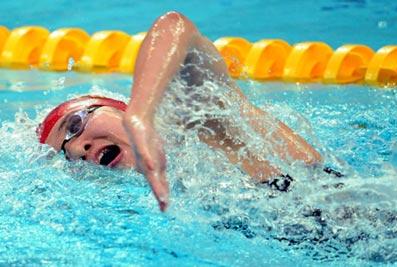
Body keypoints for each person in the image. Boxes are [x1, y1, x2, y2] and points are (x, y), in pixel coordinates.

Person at [37, 12, 322, 211]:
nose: (76, 148)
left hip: (339, 208)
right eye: (66, 155)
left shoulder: (196, 117)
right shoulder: (168, 194)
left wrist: (141, 114)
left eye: (74, 124)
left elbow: (174, 26)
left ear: (118, 108)